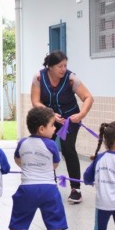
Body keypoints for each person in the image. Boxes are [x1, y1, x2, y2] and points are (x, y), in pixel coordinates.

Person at [0, 106, 68, 230]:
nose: (55, 128)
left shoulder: (22, 143)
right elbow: (55, 164)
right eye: (52, 125)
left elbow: (17, 159)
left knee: (19, 216)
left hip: (27, 188)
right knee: (54, 218)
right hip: (49, 189)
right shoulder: (51, 145)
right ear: (42, 129)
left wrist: (28, 167)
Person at [31, 50, 94, 204]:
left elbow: (88, 97)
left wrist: (81, 114)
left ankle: (75, 189)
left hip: (69, 119)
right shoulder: (39, 77)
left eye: (65, 65)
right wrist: (50, 114)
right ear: (50, 67)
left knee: (68, 148)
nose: (63, 69)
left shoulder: (71, 78)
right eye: (60, 66)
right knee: (47, 148)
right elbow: (35, 101)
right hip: (48, 119)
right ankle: (48, 183)